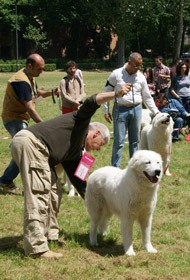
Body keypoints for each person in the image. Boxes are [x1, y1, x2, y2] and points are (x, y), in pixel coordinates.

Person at [10, 85, 130, 259]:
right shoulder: (80, 122)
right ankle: (37, 248)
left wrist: (97, 200)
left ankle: (49, 235)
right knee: (39, 193)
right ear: (96, 133)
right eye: (100, 145)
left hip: (40, 151)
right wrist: (116, 94)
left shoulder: (75, 151)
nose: (97, 150)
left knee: (54, 191)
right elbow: (90, 102)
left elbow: (79, 180)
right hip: (32, 144)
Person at [0, 53, 59, 191]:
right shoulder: (21, 81)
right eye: (40, 69)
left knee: (22, 150)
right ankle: (7, 180)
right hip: (14, 119)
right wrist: (44, 125)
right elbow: (30, 108)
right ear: (29, 66)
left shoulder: (29, 75)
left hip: (20, 118)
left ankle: (5, 180)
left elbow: (36, 92)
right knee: (23, 150)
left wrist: (51, 92)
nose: (42, 71)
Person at [103, 52, 159, 167]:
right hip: (120, 109)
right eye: (137, 66)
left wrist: (156, 112)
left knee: (135, 141)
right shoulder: (116, 74)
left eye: (140, 66)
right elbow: (106, 92)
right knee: (119, 142)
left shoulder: (141, 77)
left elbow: (147, 97)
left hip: (136, 109)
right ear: (129, 62)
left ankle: (134, 167)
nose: (138, 68)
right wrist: (106, 110)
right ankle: (115, 168)